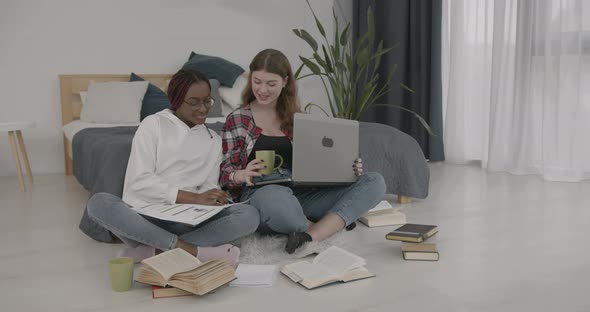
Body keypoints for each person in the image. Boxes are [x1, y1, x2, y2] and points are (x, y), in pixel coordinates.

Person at [220, 49, 386, 254]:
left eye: (271, 84)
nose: (262, 90)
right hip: (263, 196)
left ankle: (310, 235)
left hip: (304, 194)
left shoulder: (299, 118)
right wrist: (241, 174)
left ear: (285, 82)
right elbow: (225, 173)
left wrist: (348, 167)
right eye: (257, 81)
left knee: (375, 181)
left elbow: (321, 164)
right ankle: (330, 224)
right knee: (275, 197)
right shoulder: (237, 119)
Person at [87, 69, 259, 265]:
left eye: (207, 101)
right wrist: (194, 197)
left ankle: (154, 251)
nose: (203, 109)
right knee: (99, 202)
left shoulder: (213, 141)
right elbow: (139, 182)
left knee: (249, 215)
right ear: (176, 100)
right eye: (194, 102)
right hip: (148, 219)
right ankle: (193, 251)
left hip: (189, 222)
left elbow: (208, 187)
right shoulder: (153, 125)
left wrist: (212, 197)